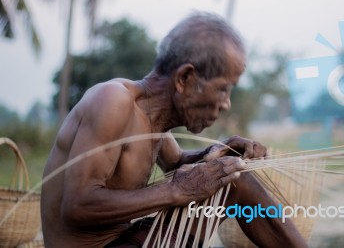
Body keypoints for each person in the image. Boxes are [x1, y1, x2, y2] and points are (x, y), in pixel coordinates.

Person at [41, 12, 307, 248]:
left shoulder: (152, 121)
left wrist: (218, 151)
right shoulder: (112, 101)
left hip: (127, 239)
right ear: (185, 79)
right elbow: (77, 206)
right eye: (223, 89)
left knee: (233, 177)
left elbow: (177, 164)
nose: (226, 104)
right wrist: (178, 192)